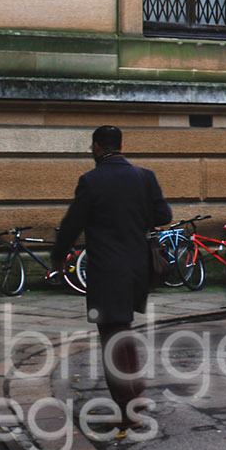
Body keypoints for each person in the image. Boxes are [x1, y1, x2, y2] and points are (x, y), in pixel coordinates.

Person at [53, 125, 171, 430]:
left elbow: (71, 224)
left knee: (112, 340)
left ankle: (127, 409)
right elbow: (163, 216)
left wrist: (57, 258)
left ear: (96, 147)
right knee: (124, 331)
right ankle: (137, 393)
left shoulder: (91, 181)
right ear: (120, 145)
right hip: (138, 269)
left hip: (107, 270)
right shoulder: (145, 177)